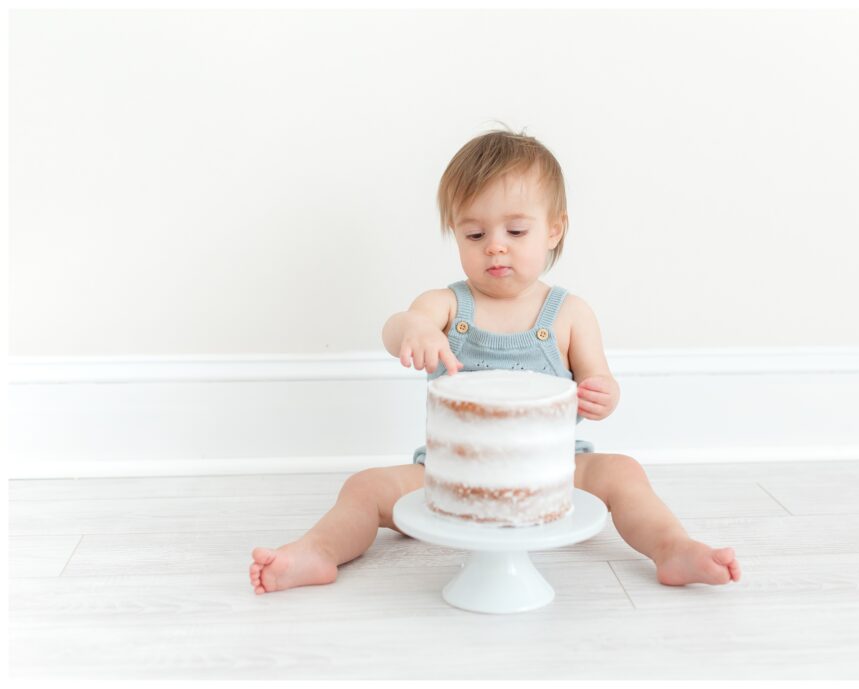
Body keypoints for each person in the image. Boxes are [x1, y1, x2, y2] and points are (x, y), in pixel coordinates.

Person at [250, 127, 741, 594]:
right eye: (475, 235)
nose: (496, 246)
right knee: (363, 487)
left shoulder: (569, 314)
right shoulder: (446, 305)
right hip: (453, 474)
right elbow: (396, 326)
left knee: (624, 473)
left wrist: (602, 394)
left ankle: (672, 548)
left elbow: (598, 380)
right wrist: (416, 330)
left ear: (553, 230)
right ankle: (317, 551)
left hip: (554, 471)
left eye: (516, 229)